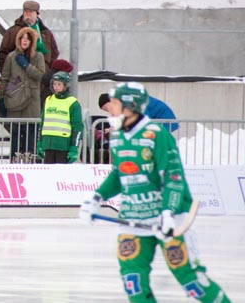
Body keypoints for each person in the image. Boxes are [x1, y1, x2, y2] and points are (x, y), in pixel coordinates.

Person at [79, 82, 230, 303]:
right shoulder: (118, 136)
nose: (110, 108)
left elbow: (173, 177)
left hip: (169, 220)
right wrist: (96, 197)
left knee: (193, 282)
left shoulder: (157, 135)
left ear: (131, 107)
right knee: (133, 283)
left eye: (115, 103)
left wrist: (168, 212)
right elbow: (118, 174)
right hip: (133, 219)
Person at [0, 27, 46, 162]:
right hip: (15, 99)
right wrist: (1, 97)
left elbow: (41, 76)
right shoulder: (11, 57)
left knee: (30, 133)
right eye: (22, 38)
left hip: (32, 100)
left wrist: (26, 66)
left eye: (28, 38)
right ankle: (14, 160)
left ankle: (29, 159)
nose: (25, 41)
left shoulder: (38, 56)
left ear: (32, 41)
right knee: (15, 133)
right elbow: (5, 78)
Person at [0, 0, 60, 73]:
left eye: (30, 12)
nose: (27, 14)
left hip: (42, 76)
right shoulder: (13, 31)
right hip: (20, 77)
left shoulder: (45, 32)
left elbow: (54, 53)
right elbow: (4, 53)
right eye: (25, 11)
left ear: (36, 14)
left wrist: (49, 72)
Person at [37, 72, 82, 164]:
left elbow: (77, 127)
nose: (56, 87)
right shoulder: (48, 100)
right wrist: (40, 143)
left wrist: (74, 148)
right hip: (48, 145)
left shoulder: (72, 103)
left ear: (65, 86)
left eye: (59, 84)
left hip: (63, 146)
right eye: (54, 84)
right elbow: (42, 124)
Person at [99, 92, 179, 133]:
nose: (108, 111)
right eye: (105, 110)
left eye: (107, 107)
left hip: (164, 120)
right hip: (160, 121)